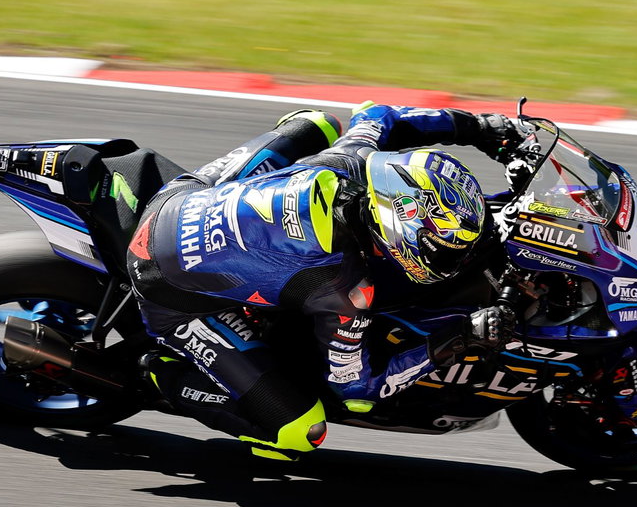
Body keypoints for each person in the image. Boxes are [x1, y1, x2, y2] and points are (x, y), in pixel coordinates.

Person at [125, 104, 530, 460]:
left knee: (318, 124)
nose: (454, 259)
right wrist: (459, 335)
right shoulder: (344, 288)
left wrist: (481, 127)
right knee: (298, 431)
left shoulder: (355, 158)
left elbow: (379, 115)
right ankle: (165, 374)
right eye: (445, 249)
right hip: (166, 285)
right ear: (395, 230)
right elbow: (357, 387)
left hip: (182, 196)